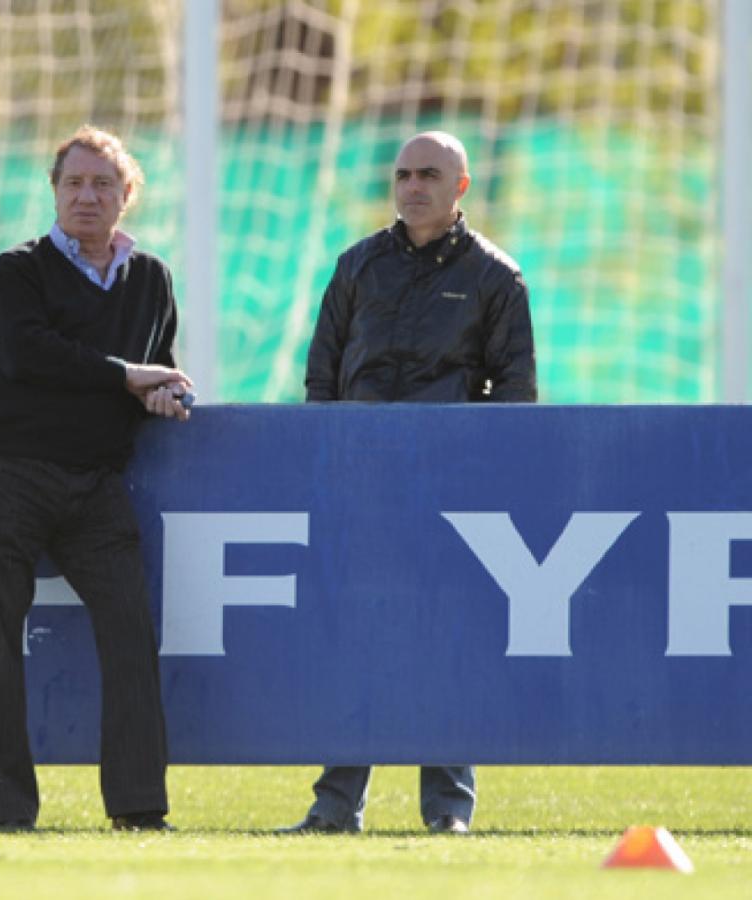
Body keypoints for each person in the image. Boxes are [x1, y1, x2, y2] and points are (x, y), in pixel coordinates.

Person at [280, 130, 537, 835]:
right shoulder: (356, 265)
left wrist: (475, 470)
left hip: (450, 490)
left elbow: (516, 393)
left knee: (447, 642)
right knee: (354, 640)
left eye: (429, 174)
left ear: (461, 186)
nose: (412, 186)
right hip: (360, 486)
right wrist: (327, 466)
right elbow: (321, 376)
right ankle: (334, 809)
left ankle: (449, 811)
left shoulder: (496, 277)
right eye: (402, 174)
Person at [0, 125, 193, 832]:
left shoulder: (151, 277)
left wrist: (158, 393)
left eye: (102, 184)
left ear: (127, 197)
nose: (86, 196)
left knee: (130, 634)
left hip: (95, 483)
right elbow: (29, 357)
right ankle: (1, 816)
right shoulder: (15, 271)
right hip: (3, 472)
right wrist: (124, 377)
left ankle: (140, 811)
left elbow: (154, 358)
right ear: (54, 193)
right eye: (73, 184)